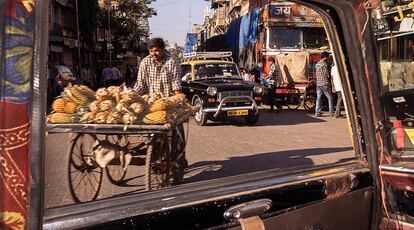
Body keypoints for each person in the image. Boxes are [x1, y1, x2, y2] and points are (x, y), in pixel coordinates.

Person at [134, 38, 185, 182]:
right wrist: (130, 97)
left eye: (156, 50)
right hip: (152, 104)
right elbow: (140, 85)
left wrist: (180, 100)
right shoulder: (145, 62)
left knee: (176, 136)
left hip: (169, 103)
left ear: (163, 49)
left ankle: (177, 162)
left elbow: (176, 85)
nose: (153, 53)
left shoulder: (171, 61)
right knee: (150, 134)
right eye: (151, 51)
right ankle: (155, 156)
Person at [315, 51, 334, 117]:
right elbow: (327, 75)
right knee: (330, 98)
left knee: (318, 98)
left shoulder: (317, 64)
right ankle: (331, 112)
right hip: (325, 84)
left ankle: (317, 112)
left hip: (318, 84)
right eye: (328, 56)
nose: (328, 58)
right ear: (325, 57)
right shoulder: (324, 65)